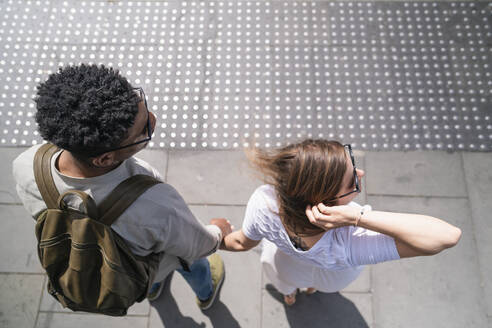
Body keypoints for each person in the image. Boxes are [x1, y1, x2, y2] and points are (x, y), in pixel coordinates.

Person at [12, 64, 232, 310]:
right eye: (144, 130)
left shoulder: (27, 166)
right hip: (152, 263)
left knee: (153, 272)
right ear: (105, 159)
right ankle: (205, 293)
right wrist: (218, 233)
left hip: (117, 269)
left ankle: (154, 288)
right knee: (194, 264)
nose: (154, 119)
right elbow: (196, 245)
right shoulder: (153, 203)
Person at [221, 139, 462, 305]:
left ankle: (290, 295)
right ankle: (311, 289)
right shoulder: (351, 241)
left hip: (288, 265)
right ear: (328, 203)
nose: (361, 174)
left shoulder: (264, 204)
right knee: (318, 283)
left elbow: (241, 242)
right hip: (333, 277)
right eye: (352, 183)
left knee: (287, 280)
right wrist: (356, 217)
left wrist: (212, 238)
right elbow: (446, 236)